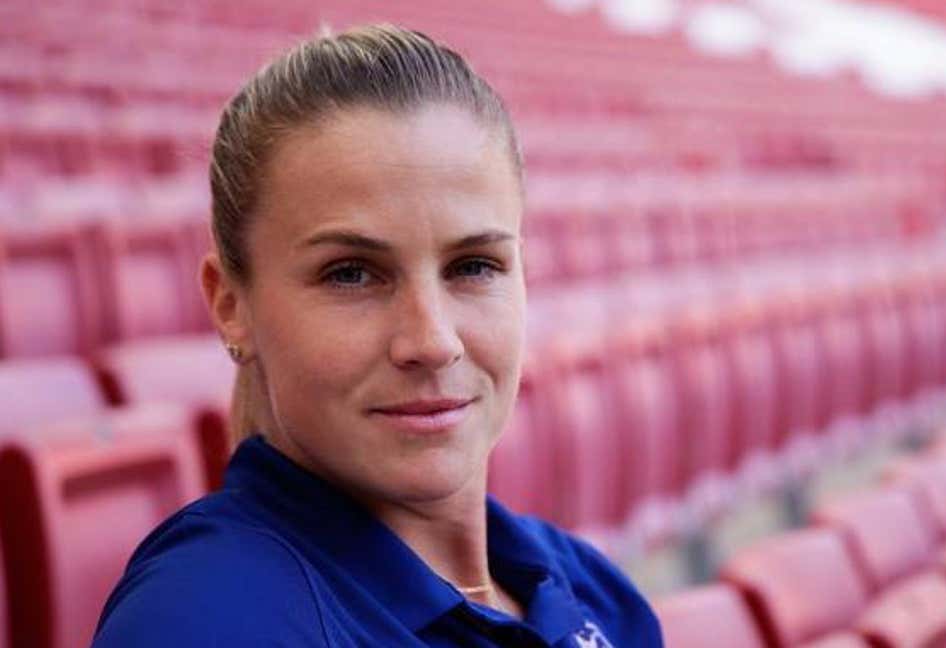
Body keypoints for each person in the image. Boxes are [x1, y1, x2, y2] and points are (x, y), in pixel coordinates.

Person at [92, 24, 662, 648]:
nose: (432, 340)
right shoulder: (205, 623)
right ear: (231, 304)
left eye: (474, 266)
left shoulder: (596, 590)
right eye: (352, 274)